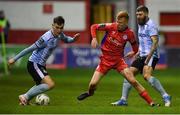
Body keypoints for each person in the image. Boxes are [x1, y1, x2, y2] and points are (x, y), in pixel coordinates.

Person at [77, 11, 157, 106]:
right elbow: (93, 26)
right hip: (105, 60)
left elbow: (135, 47)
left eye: (121, 23)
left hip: (118, 61)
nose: (118, 24)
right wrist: (94, 38)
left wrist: (134, 52)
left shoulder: (130, 33)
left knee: (132, 81)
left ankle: (151, 102)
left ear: (126, 22)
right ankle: (90, 93)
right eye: (117, 22)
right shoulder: (111, 26)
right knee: (92, 85)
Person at [8, 16, 80, 105]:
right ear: (52, 25)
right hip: (34, 64)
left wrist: (73, 39)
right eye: (57, 27)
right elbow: (29, 49)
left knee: (40, 85)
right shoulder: (45, 38)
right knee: (50, 84)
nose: (59, 30)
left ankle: (25, 100)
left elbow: (66, 39)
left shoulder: (60, 34)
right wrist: (14, 59)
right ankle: (25, 96)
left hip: (41, 65)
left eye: (61, 28)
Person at [111, 6, 171, 107]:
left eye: (140, 14)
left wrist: (147, 59)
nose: (138, 16)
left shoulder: (151, 25)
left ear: (146, 14)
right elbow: (144, 42)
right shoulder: (141, 24)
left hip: (152, 55)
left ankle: (165, 96)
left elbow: (154, 43)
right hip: (142, 54)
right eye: (137, 14)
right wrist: (137, 52)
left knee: (146, 76)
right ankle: (123, 100)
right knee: (128, 74)